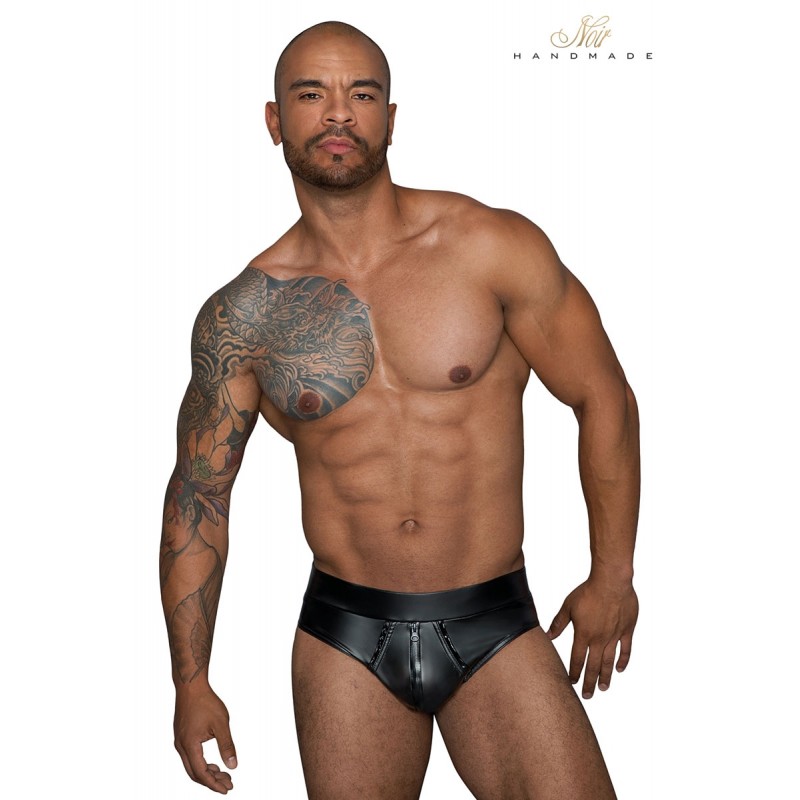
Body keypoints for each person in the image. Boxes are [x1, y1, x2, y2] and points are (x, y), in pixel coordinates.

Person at [160, 20, 640, 799]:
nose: (338, 113)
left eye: (361, 94)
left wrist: (611, 576)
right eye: (311, 95)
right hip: (344, 635)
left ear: (390, 117)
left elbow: (603, 395)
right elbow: (199, 495)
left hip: (494, 619)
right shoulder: (243, 316)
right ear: (275, 120)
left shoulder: (490, 247)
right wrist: (191, 682)